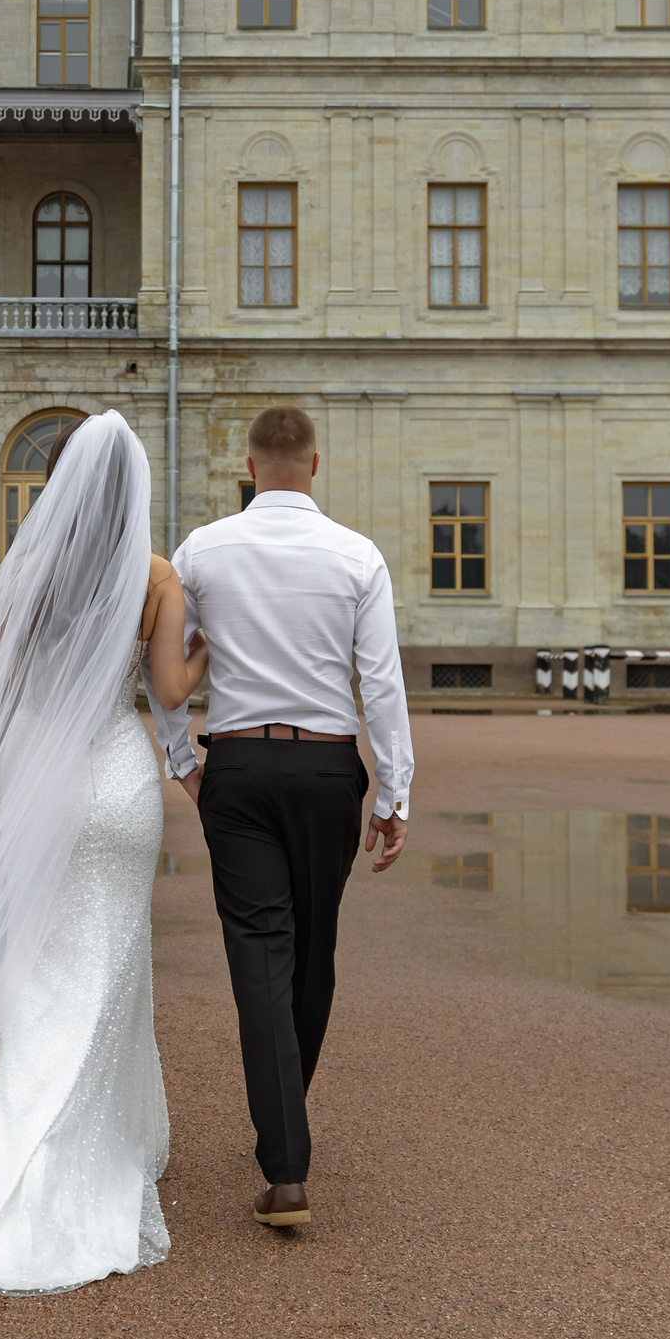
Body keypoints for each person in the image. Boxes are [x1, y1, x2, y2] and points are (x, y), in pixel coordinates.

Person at [0, 410, 209, 1295]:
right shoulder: (155, 575)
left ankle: (38, 1155)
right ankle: (113, 1143)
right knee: (116, 966)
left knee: (46, 969)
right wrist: (203, 645)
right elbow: (172, 691)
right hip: (119, 783)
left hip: (46, 791)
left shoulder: (27, 569)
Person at [153, 407, 413, 1230]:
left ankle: (285, 1148)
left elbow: (164, 660)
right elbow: (382, 683)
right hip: (326, 767)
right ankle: (284, 1142)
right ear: (315, 463)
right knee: (314, 946)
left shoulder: (202, 549)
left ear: (250, 466)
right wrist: (394, 793)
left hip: (239, 767)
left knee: (260, 949)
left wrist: (182, 760)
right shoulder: (357, 555)